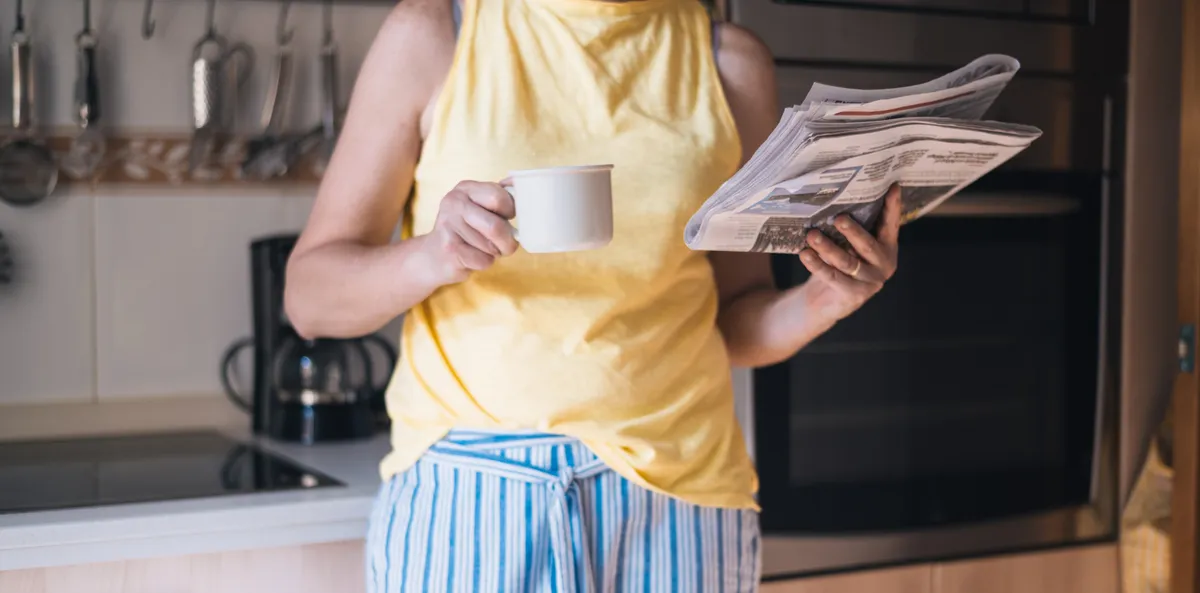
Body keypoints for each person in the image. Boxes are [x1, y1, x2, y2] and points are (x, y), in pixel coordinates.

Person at [283, 0, 901, 589]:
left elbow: (737, 321)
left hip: (680, 499)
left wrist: (827, 300)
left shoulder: (730, 62)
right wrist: (432, 253)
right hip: (475, 489)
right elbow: (309, 299)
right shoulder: (434, 32)